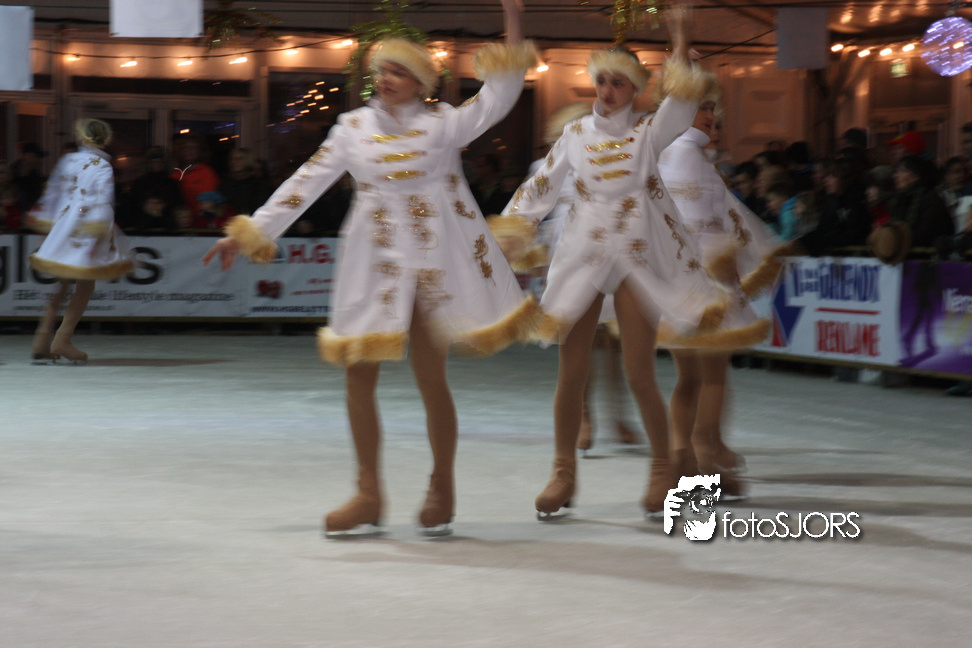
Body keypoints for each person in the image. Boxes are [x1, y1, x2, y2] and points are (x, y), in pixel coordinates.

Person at [204, 0, 537, 538]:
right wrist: (251, 231)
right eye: (382, 70)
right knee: (358, 373)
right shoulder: (352, 127)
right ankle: (368, 492)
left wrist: (514, 21)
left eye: (399, 71)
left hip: (432, 260)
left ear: (422, 84)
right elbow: (305, 182)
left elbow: (499, 96)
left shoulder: (444, 124)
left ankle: (442, 484)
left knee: (431, 377)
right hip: (374, 260)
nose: (386, 79)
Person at [494, 3, 761, 520]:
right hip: (584, 256)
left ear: (636, 89)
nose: (607, 90)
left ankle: (663, 467)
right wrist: (514, 227)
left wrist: (679, 39)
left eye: (619, 83)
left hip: (638, 259)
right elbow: (541, 185)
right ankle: (563, 472)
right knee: (570, 374)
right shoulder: (576, 135)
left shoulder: (649, 132)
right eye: (602, 81)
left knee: (639, 371)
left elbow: (682, 101)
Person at [658, 96, 781, 496]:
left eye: (714, 110)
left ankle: (686, 455)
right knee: (712, 378)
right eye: (704, 108)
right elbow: (701, 223)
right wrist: (731, 260)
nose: (713, 118)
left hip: (680, 282)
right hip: (704, 284)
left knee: (691, 377)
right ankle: (705, 457)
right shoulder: (687, 156)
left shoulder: (673, 154)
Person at [27, 119, 134, 364]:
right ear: (105, 139)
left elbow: (53, 192)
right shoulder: (102, 165)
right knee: (85, 286)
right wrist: (97, 231)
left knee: (62, 283)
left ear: (82, 137)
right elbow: (101, 200)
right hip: (87, 227)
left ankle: (41, 339)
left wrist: (47, 222)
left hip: (64, 225)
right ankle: (62, 339)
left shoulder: (70, 159)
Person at [889, 154, 954, 248]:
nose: (895, 176)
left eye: (901, 171)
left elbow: (925, 234)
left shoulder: (930, 199)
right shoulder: (899, 199)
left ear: (915, 176)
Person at [170, 134, 219, 227]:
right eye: (185, 148)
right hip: (178, 223)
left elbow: (209, 202)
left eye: (193, 148)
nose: (189, 151)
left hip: (201, 223)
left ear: (200, 151)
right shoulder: (175, 174)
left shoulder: (207, 173)